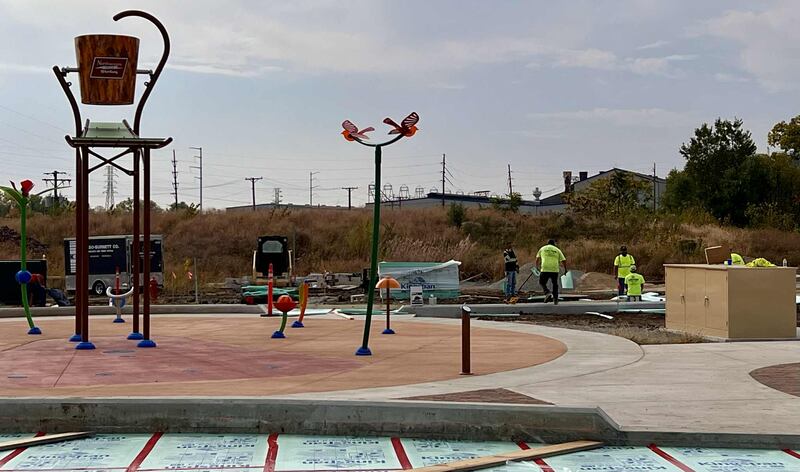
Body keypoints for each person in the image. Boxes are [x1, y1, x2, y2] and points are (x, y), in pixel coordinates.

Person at [536, 239, 566, 305]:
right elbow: (563, 260)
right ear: (554, 244)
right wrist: (565, 269)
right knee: (555, 284)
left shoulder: (542, 248)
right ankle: (555, 299)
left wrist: (537, 266)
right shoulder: (557, 250)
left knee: (542, 282)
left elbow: (537, 258)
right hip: (554, 269)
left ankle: (547, 292)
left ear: (547, 243)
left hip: (545, 268)